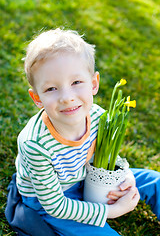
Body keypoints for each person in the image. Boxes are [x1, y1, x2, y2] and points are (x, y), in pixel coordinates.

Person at [5, 28, 160, 236]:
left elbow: (110, 154)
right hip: (54, 201)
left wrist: (127, 176)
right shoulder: (35, 144)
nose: (67, 97)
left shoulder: (99, 116)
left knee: (155, 182)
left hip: (89, 178)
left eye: (76, 82)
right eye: (51, 89)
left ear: (94, 84)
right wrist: (111, 211)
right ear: (37, 98)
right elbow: (56, 206)